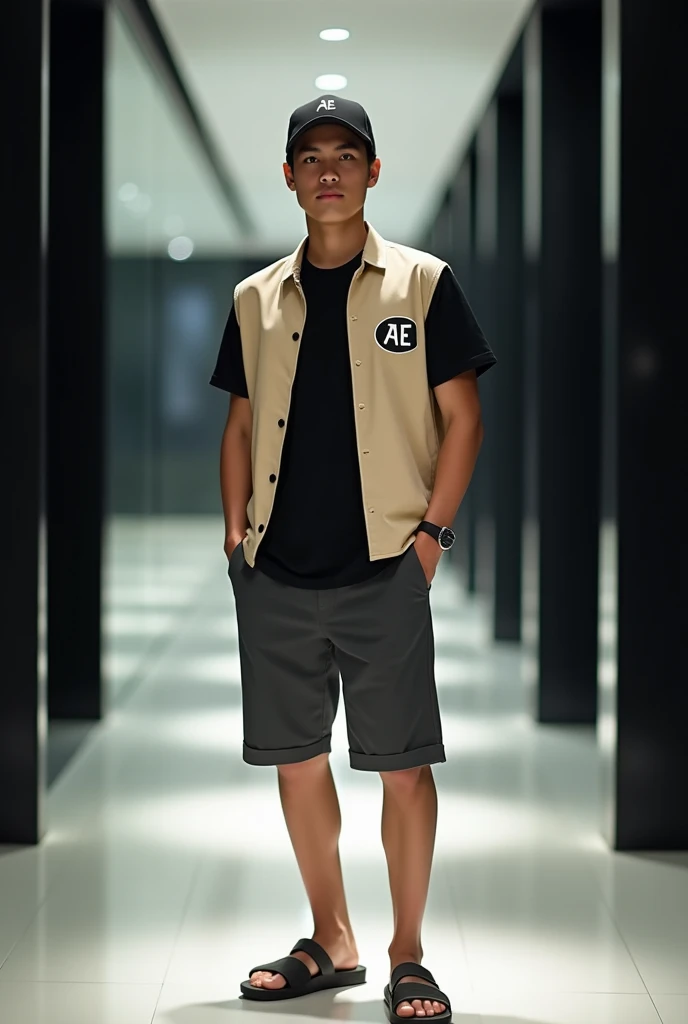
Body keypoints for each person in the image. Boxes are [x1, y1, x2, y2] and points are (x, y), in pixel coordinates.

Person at [210, 95, 495, 1024]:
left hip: (385, 568)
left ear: (374, 172)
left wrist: (432, 538)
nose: (327, 170)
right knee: (297, 761)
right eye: (309, 156)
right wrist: (234, 534)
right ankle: (332, 939)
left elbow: (465, 419)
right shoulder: (256, 298)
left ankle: (408, 955)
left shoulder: (424, 284)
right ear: (288, 176)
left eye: (346, 154)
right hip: (279, 570)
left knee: (404, 766)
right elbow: (242, 422)